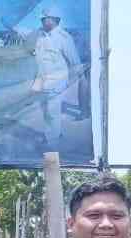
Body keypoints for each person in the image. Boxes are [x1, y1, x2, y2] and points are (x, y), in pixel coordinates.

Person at [30, 6, 81, 147]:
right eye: (42, 19)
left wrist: (72, 80)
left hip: (56, 81)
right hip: (41, 80)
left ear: (55, 20)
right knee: (45, 110)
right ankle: (54, 134)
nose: (43, 21)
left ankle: (52, 142)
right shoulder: (40, 36)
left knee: (52, 111)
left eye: (46, 19)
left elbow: (74, 61)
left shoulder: (64, 38)